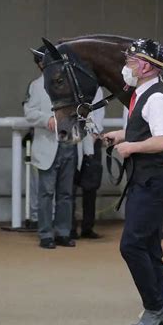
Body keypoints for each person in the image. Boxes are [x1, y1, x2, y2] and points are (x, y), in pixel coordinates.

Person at [104, 39, 163, 325]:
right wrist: (121, 136)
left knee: (131, 246)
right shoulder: (143, 94)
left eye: (132, 61)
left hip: (154, 183)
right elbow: (145, 129)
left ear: (146, 66)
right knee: (148, 248)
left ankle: (154, 308)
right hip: (147, 181)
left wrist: (131, 146)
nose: (127, 67)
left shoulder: (157, 98)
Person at [24, 46, 81, 248]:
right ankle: (46, 234)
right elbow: (29, 113)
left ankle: (63, 232)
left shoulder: (70, 83)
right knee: (46, 193)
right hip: (47, 144)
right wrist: (45, 119)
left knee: (66, 194)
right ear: (41, 64)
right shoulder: (36, 86)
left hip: (68, 144)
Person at [71, 86, 105, 240]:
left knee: (91, 186)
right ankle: (69, 227)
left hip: (92, 139)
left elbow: (99, 112)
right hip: (73, 138)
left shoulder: (96, 88)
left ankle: (88, 226)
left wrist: (95, 133)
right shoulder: (69, 85)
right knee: (69, 186)